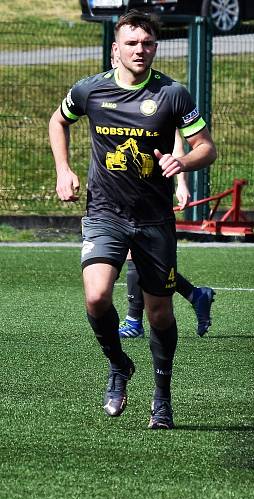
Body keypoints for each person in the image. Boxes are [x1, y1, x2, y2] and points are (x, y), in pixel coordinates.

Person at [48, 10, 217, 429]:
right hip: (104, 212)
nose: (140, 50)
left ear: (155, 48)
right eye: (132, 43)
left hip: (154, 218)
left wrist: (184, 160)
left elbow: (206, 147)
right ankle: (119, 365)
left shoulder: (172, 93)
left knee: (159, 313)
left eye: (147, 43)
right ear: (115, 49)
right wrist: (63, 169)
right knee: (96, 297)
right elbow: (58, 120)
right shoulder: (90, 90)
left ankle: (162, 397)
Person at [119, 129, 215, 339]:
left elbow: (176, 148)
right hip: (124, 192)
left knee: (134, 254)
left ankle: (134, 321)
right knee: (143, 259)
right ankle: (196, 295)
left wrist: (181, 184)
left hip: (150, 194)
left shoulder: (160, 104)